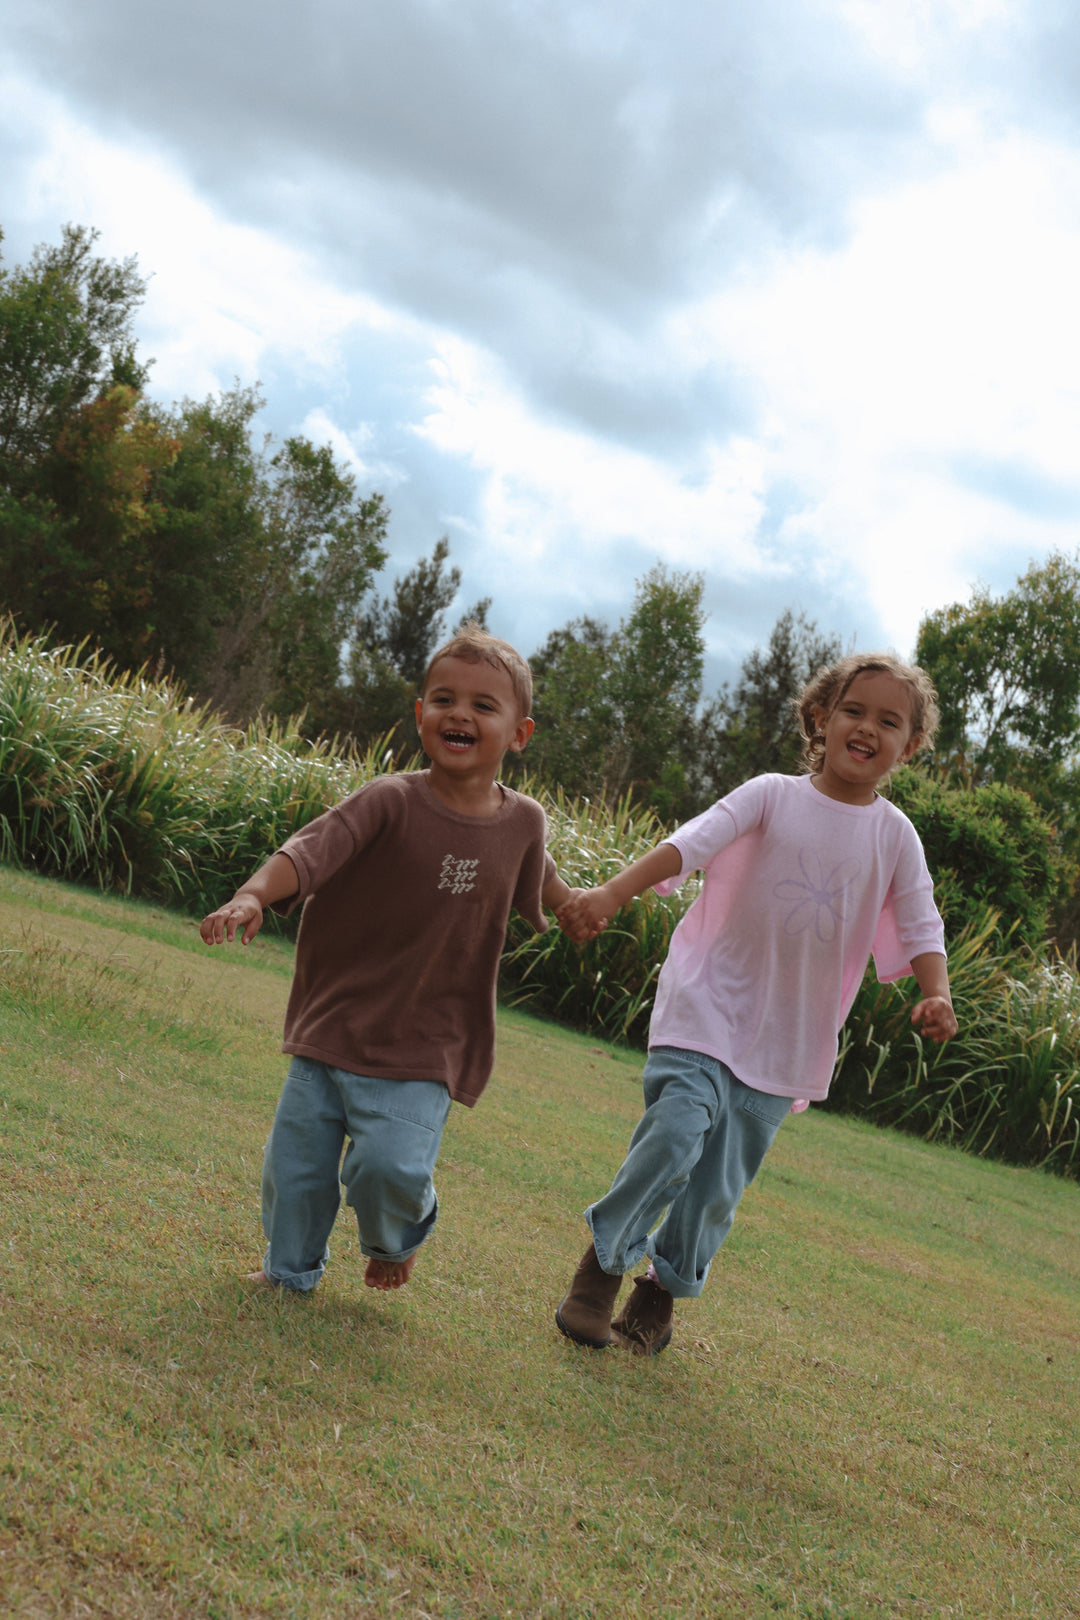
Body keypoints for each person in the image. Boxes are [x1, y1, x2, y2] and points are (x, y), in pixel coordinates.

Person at [555, 653, 959, 1356]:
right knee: (676, 1133)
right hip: (707, 1001)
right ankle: (601, 1268)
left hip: (789, 1039)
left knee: (716, 1187)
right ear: (821, 719)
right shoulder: (771, 794)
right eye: (854, 711)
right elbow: (691, 844)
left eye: (889, 721)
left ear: (911, 745)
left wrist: (937, 993)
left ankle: (661, 1293)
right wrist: (611, 894)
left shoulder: (895, 836)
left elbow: (921, 920)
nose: (866, 728)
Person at [201, 625, 580, 1294]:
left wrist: (574, 907)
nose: (459, 714)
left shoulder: (525, 821)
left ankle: (399, 1232)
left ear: (519, 733)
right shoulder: (389, 800)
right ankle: (289, 1273)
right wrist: (253, 895)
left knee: (390, 1170)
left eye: (483, 706)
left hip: (429, 1041)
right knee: (297, 1170)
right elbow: (308, 851)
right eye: (443, 699)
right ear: (419, 715)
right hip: (334, 1024)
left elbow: (540, 876)